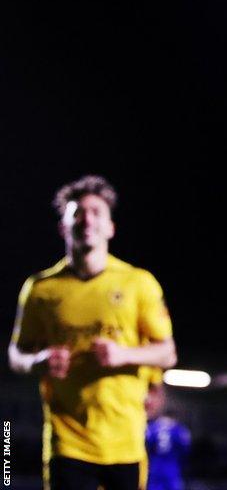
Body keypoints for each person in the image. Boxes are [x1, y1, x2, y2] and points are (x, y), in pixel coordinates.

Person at [8, 175, 178, 490]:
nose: (87, 219)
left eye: (96, 211)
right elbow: (16, 355)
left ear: (111, 227)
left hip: (125, 443)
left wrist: (123, 354)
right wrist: (38, 361)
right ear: (63, 227)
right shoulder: (40, 288)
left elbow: (168, 352)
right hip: (67, 441)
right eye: (78, 212)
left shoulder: (138, 283)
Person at [144, 380, 190, 490]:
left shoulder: (152, 427)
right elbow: (186, 448)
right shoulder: (179, 429)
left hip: (153, 468)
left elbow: (146, 444)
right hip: (172, 469)